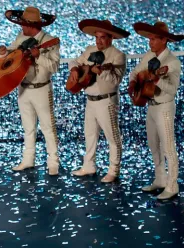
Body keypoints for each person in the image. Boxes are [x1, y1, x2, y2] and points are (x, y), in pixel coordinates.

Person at [0, 7, 60, 174]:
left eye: (23, 24)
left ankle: (53, 162)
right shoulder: (21, 37)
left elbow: (54, 66)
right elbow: (11, 54)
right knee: (28, 127)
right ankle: (28, 160)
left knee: (48, 127)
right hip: (23, 89)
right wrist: (3, 54)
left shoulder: (51, 40)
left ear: (32, 25)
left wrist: (38, 56)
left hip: (42, 89)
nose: (21, 27)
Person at [69, 19, 129, 183]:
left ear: (111, 38)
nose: (99, 41)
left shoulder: (118, 55)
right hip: (90, 100)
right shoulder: (89, 50)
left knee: (112, 137)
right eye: (97, 37)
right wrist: (75, 68)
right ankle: (89, 165)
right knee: (90, 135)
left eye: (102, 37)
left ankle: (113, 170)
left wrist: (101, 71)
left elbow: (115, 81)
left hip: (107, 101)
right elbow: (74, 61)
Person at [129, 21, 183, 200]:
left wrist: (157, 80)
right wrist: (133, 83)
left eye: (153, 39)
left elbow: (172, 90)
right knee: (154, 146)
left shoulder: (172, 62)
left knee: (168, 147)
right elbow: (136, 72)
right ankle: (160, 179)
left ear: (164, 40)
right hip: (151, 106)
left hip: (164, 107)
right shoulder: (148, 56)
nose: (150, 42)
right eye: (149, 39)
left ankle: (172, 185)